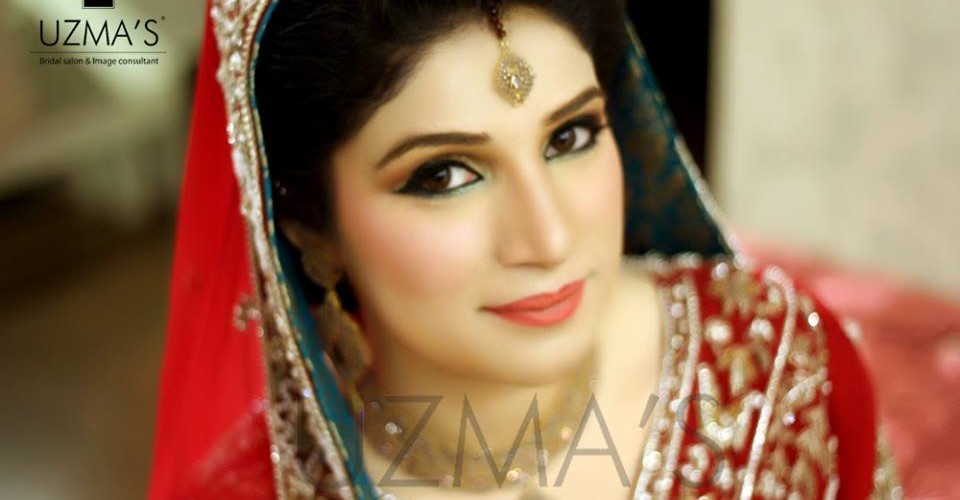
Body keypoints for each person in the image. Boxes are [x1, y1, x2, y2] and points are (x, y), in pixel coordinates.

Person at [148, 0, 900, 498]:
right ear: (307, 223)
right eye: (444, 175)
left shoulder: (778, 363)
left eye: (570, 136)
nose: (549, 238)